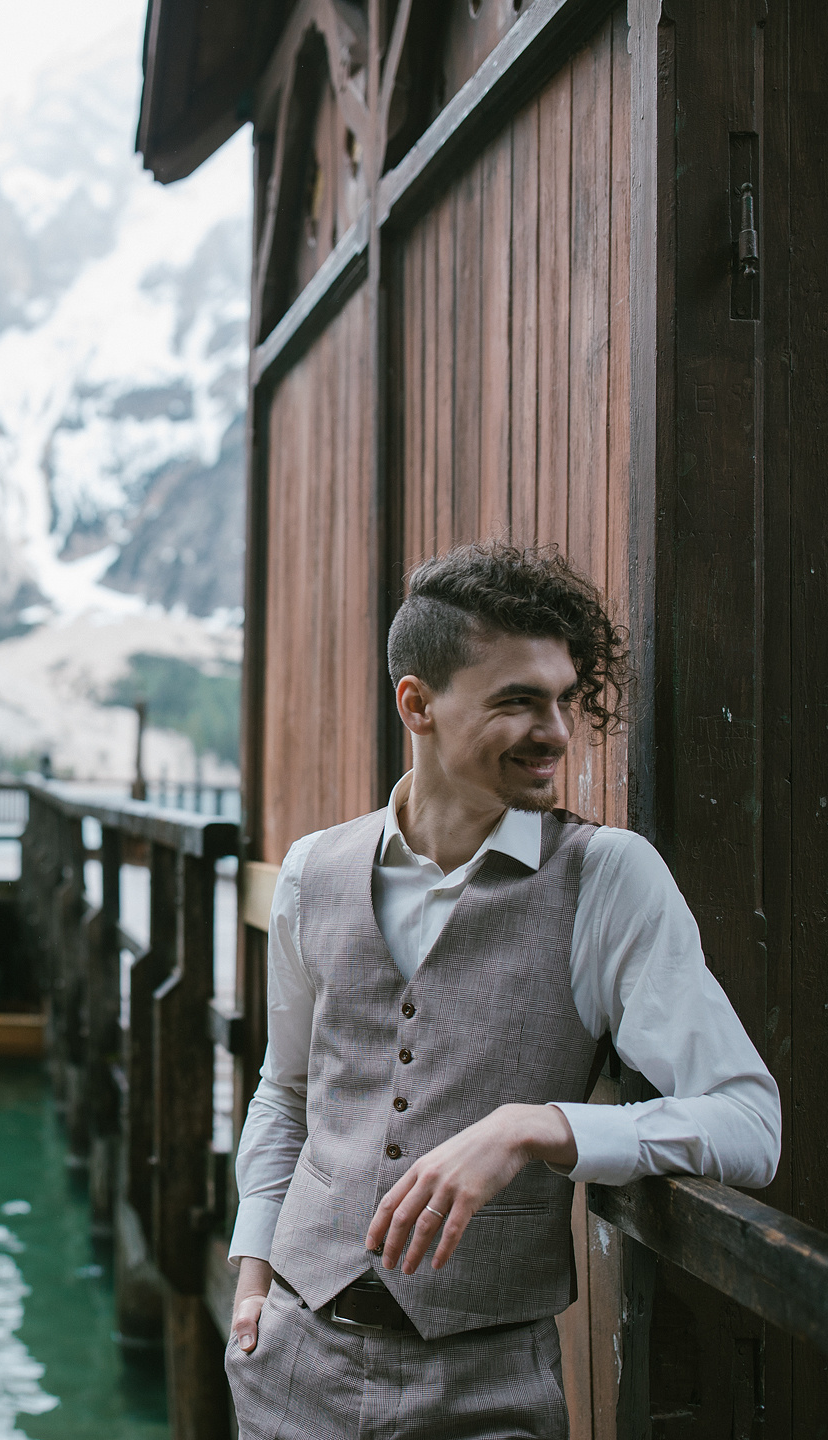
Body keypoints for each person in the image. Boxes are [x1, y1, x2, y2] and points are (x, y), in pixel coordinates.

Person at [224, 543, 780, 1439]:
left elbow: (750, 1124)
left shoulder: (607, 879)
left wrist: (541, 1125)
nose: (557, 731)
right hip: (291, 1366)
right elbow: (286, 1090)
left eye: (563, 698)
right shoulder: (312, 872)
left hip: (488, 1387)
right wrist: (251, 1272)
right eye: (519, 700)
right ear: (418, 704)